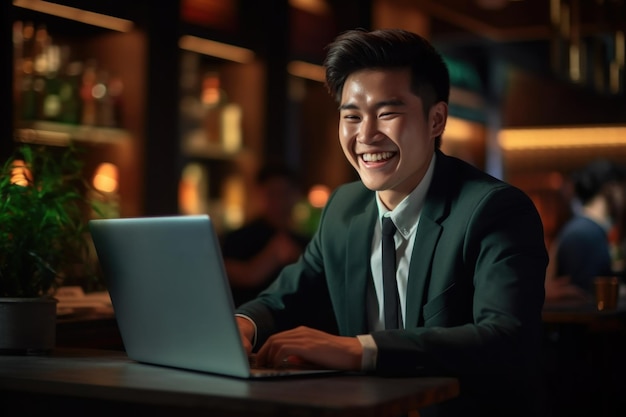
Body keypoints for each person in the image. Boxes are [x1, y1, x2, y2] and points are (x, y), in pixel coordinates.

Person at [235, 28, 548, 417]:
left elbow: (506, 340)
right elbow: (288, 295)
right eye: (351, 116)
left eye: (388, 113)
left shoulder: (494, 210)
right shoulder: (344, 208)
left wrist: (359, 349)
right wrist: (242, 324)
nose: (366, 135)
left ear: (436, 120)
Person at [221, 161, 310, 307]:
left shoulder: (306, 241)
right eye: (273, 193)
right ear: (259, 193)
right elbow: (227, 277)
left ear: (296, 195)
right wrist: (270, 257)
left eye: (285, 193)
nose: (280, 201)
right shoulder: (239, 238)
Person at [552, 159, 625, 294]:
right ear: (610, 188)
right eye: (623, 188)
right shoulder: (584, 234)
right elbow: (582, 296)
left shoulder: (589, 230)